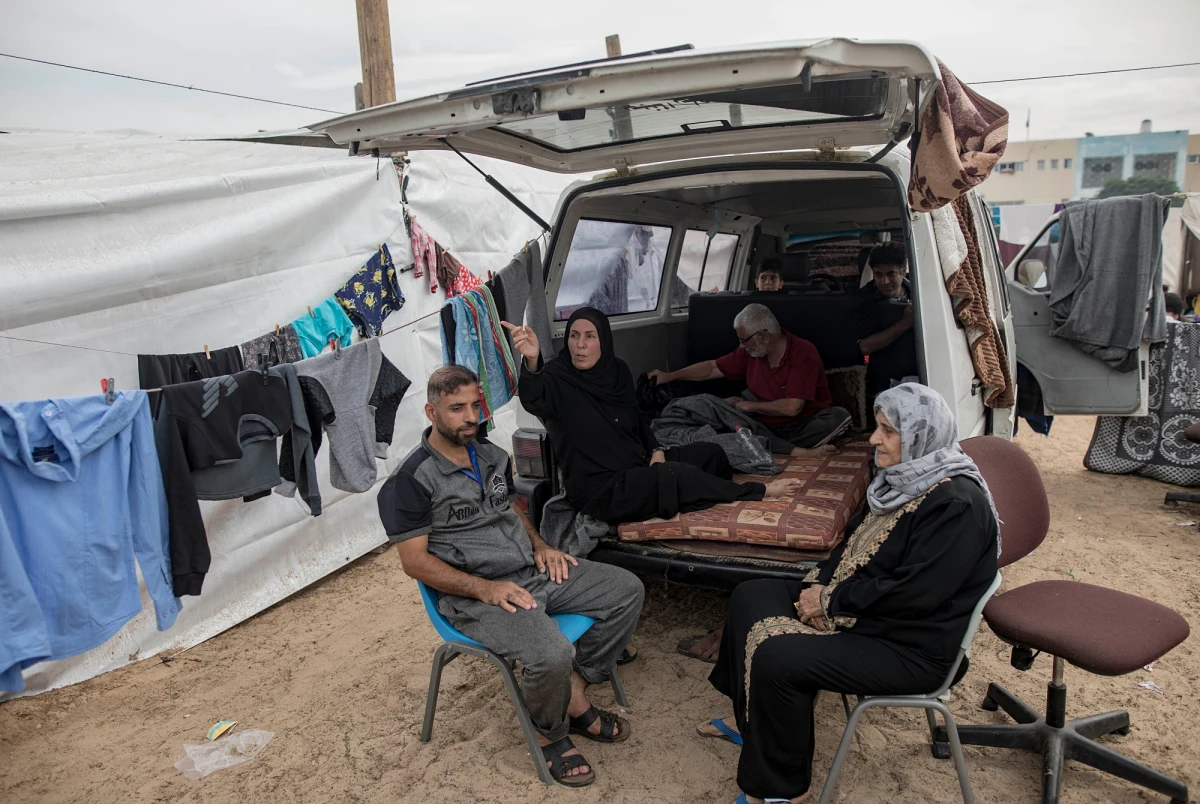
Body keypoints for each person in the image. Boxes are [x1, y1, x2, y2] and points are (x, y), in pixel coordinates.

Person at [697, 383, 1000, 804]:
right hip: (866, 605)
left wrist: (830, 604)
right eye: (877, 427)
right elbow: (851, 540)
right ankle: (752, 720)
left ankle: (783, 792)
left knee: (777, 657)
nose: (874, 439)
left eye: (887, 430)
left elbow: (915, 596)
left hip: (912, 645)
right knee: (751, 595)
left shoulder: (957, 505)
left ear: (920, 436)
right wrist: (819, 583)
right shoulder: (904, 480)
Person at [378, 365, 646, 788]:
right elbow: (415, 563)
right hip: (476, 596)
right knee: (551, 653)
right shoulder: (410, 482)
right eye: (456, 408)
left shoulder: (491, 455)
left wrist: (540, 546)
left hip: (528, 573)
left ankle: (575, 689)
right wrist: (484, 588)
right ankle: (549, 732)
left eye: (475, 405)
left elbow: (511, 509)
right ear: (431, 411)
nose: (470, 417)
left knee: (625, 590)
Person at [504, 309, 802, 525]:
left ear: (603, 341)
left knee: (710, 454)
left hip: (635, 463)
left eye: (590, 336)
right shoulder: (557, 378)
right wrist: (531, 359)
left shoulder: (616, 372)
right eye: (574, 336)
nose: (580, 345)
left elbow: (636, 418)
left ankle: (700, 493)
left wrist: (656, 450)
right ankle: (750, 492)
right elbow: (533, 397)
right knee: (674, 475)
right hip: (603, 489)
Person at [647, 304, 851, 457]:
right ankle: (786, 448)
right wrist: (670, 376)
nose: (742, 346)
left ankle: (784, 448)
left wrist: (749, 406)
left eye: (744, 340)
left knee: (838, 417)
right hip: (759, 425)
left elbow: (792, 408)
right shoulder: (750, 352)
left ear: (763, 336)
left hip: (803, 424)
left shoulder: (803, 353)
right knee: (711, 408)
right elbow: (712, 367)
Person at [856, 242, 920, 400]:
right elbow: (865, 346)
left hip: (924, 379)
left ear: (903, 271)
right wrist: (904, 324)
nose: (884, 281)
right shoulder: (864, 300)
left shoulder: (922, 289)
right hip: (884, 385)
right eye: (878, 275)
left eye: (891, 274)